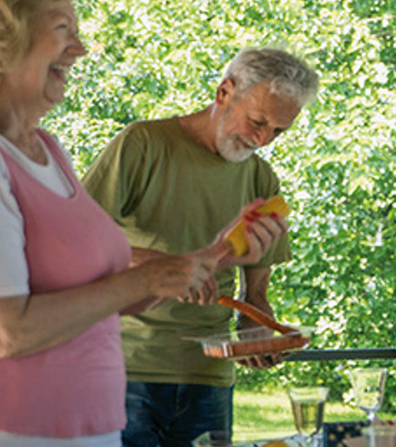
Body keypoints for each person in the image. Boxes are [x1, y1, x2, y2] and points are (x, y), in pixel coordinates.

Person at [0, 0, 281, 447]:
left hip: (78, 427)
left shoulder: (48, 150)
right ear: (2, 39)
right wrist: (145, 278)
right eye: (62, 29)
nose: (79, 49)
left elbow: (100, 294)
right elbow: (6, 332)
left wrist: (212, 257)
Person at [82, 47, 319, 446]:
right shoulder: (142, 143)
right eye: (258, 121)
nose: (263, 139)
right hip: (123, 369)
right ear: (224, 92)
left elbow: (255, 296)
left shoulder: (261, 178)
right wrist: (170, 269)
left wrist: (257, 330)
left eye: (278, 131)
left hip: (209, 378)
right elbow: (79, 240)